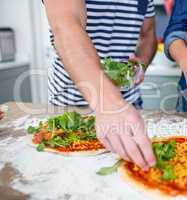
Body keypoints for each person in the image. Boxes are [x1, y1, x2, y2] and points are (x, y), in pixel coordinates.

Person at [43, 0, 157, 170]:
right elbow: (67, 27)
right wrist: (109, 103)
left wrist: (142, 63)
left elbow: (148, 35)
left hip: (128, 106)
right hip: (71, 108)